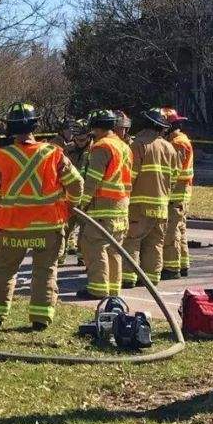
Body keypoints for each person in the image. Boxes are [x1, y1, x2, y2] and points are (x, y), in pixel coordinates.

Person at [0, 102, 82, 330]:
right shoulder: (54, 153)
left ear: (11, 128)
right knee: (44, 271)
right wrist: (70, 206)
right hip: (47, 227)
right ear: (35, 126)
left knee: (4, 270)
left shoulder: (3, 156)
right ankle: (40, 319)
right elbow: (76, 183)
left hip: (13, 228)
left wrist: (10, 202)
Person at [74, 110, 132, 298]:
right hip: (121, 207)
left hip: (102, 207)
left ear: (95, 126)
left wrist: (81, 204)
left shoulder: (101, 147)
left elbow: (92, 180)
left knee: (94, 246)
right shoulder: (123, 146)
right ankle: (113, 289)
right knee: (114, 249)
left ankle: (98, 289)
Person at [122, 108, 179, 287]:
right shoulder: (169, 147)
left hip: (139, 203)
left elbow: (130, 175)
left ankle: (128, 278)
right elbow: (174, 177)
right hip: (161, 204)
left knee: (132, 240)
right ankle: (152, 277)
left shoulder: (138, 144)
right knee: (155, 242)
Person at [161, 107, 194, 279]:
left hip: (177, 192)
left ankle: (172, 268)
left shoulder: (178, 143)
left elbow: (174, 170)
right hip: (182, 191)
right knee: (180, 228)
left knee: (171, 230)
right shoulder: (179, 140)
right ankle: (182, 265)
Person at [60, 119, 92, 263]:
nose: (80, 142)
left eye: (83, 139)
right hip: (69, 196)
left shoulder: (94, 151)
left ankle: (83, 257)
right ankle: (59, 257)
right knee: (65, 228)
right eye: (77, 139)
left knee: (85, 231)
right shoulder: (68, 150)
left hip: (86, 196)